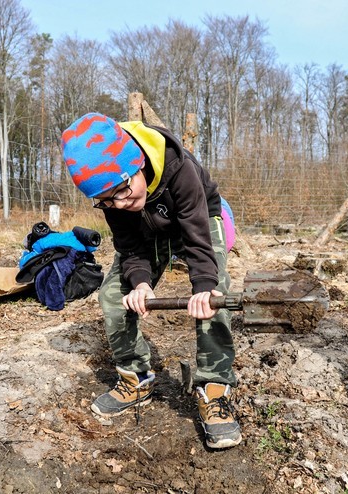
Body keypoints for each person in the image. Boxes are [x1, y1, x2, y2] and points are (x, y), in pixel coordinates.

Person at [60, 112, 241, 449]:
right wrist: (140, 284)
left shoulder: (179, 168)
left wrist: (203, 287)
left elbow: (198, 238)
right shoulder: (116, 197)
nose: (119, 203)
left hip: (199, 219)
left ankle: (214, 388)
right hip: (148, 229)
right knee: (113, 295)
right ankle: (136, 377)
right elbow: (129, 247)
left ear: (138, 163)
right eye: (106, 200)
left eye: (123, 190)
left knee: (215, 293)